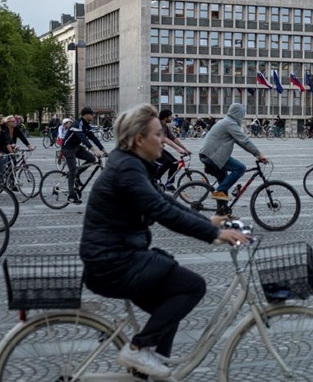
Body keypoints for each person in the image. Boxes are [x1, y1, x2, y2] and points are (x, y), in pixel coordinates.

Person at [80, 103, 248, 378]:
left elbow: (162, 201)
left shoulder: (131, 163)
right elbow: (161, 211)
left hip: (118, 256)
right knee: (192, 286)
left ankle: (146, 368)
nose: (164, 139)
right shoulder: (127, 170)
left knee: (168, 308)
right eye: (158, 135)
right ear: (138, 140)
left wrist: (208, 222)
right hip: (112, 262)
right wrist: (214, 234)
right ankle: (138, 349)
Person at [199, 103, 267, 201]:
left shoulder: (226, 121)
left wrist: (255, 154)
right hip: (212, 156)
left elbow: (240, 141)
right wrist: (258, 154)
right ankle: (218, 191)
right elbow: (244, 140)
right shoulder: (230, 123)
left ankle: (223, 213)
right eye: (242, 115)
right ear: (238, 114)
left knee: (224, 186)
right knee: (241, 168)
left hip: (208, 154)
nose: (242, 117)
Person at [61, 107, 107, 205]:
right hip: (67, 149)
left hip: (76, 148)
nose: (93, 115)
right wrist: (94, 149)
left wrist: (103, 150)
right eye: (91, 114)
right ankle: (71, 196)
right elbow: (82, 138)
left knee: (91, 159)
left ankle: (77, 174)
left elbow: (93, 138)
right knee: (72, 170)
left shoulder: (86, 125)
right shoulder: (77, 124)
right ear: (85, 115)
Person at [156, 109, 191, 191]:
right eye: (170, 116)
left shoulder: (165, 126)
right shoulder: (157, 125)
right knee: (167, 162)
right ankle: (155, 179)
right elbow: (165, 139)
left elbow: (173, 138)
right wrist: (178, 149)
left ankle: (169, 184)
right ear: (165, 118)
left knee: (174, 163)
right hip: (151, 149)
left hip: (159, 149)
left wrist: (185, 149)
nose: (172, 118)